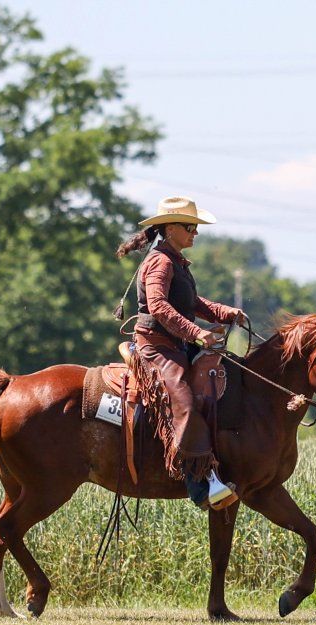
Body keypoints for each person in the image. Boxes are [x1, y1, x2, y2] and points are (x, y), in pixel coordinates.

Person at [115, 196, 246, 508]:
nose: (195, 233)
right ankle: (201, 484)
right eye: (190, 227)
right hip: (155, 347)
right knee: (184, 400)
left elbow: (194, 304)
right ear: (171, 228)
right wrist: (197, 332)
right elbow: (159, 306)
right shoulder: (160, 261)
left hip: (176, 344)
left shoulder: (175, 261)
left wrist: (226, 313)